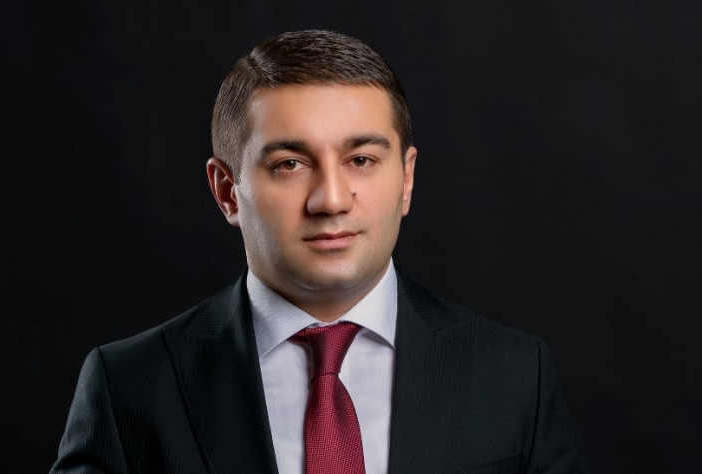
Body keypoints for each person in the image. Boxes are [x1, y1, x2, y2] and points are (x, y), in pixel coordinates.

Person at [51, 29, 588, 473]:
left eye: (361, 160)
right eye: (289, 164)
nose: (331, 200)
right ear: (227, 191)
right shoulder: (130, 386)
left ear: (406, 179)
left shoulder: (515, 374)